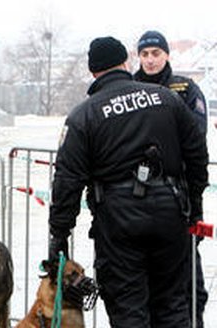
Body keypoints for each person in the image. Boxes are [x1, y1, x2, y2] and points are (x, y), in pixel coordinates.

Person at [48, 36, 208, 327]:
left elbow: (67, 181)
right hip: (170, 212)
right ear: (126, 62)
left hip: (118, 221)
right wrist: (194, 208)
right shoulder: (167, 99)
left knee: (128, 307)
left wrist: (59, 235)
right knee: (173, 304)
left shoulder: (84, 115)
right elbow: (197, 155)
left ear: (93, 71)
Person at [134, 30, 209, 327]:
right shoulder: (128, 88)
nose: (150, 60)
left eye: (155, 53)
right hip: (136, 199)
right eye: (144, 54)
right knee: (145, 286)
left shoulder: (185, 89)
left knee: (190, 283)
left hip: (179, 197)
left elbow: (195, 136)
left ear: (166, 55)